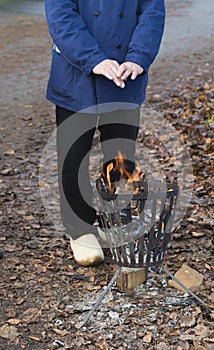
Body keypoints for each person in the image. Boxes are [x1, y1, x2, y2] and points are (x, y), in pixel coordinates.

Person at [44, 0, 165, 266]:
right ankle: (80, 229)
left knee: (121, 156)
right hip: (75, 75)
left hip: (125, 74)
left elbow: (152, 13)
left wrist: (138, 57)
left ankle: (114, 221)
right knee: (72, 157)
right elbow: (61, 15)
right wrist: (94, 59)